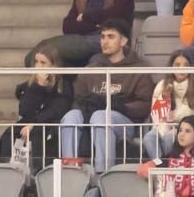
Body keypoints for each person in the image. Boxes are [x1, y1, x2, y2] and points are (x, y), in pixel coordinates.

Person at [59, 19, 154, 171]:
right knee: (71, 116)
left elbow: (144, 104)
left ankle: (102, 172)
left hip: (125, 122)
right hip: (92, 118)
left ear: (123, 41)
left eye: (111, 37)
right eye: (102, 37)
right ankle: (70, 170)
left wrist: (119, 106)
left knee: (101, 116)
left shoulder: (138, 69)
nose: (105, 41)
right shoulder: (91, 69)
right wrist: (89, 105)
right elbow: (77, 100)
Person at [0, 43, 72, 165]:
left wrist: (33, 124)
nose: (38, 66)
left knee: (37, 134)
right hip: (28, 122)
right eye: (36, 61)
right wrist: (38, 87)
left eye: (43, 63)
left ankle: (36, 172)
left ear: (54, 65)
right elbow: (24, 110)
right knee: (11, 132)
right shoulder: (31, 84)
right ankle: (6, 166)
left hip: (49, 125)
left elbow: (57, 110)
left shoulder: (63, 85)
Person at [141, 51, 194, 160]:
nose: (181, 68)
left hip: (189, 129)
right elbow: (156, 116)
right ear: (171, 67)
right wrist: (164, 99)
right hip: (164, 126)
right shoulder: (161, 85)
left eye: (186, 65)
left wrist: (193, 130)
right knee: (149, 138)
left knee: (170, 137)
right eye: (177, 65)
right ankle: (160, 165)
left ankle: (170, 166)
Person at [138, 116, 194, 197]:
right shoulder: (170, 157)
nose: (181, 134)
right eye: (180, 130)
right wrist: (159, 173)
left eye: (187, 131)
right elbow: (143, 170)